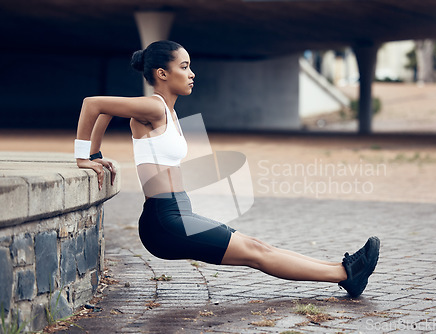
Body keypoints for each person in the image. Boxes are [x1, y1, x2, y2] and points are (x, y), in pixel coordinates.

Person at [74, 40, 380, 298]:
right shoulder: (154, 108)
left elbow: (107, 112)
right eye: (184, 67)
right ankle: (346, 274)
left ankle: (341, 270)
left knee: (257, 246)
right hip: (165, 220)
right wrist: (84, 157)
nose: (192, 74)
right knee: (255, 253)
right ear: (162, 73)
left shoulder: (164, 112)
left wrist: (97, 151)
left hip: (179, 214)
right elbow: (93, 105)